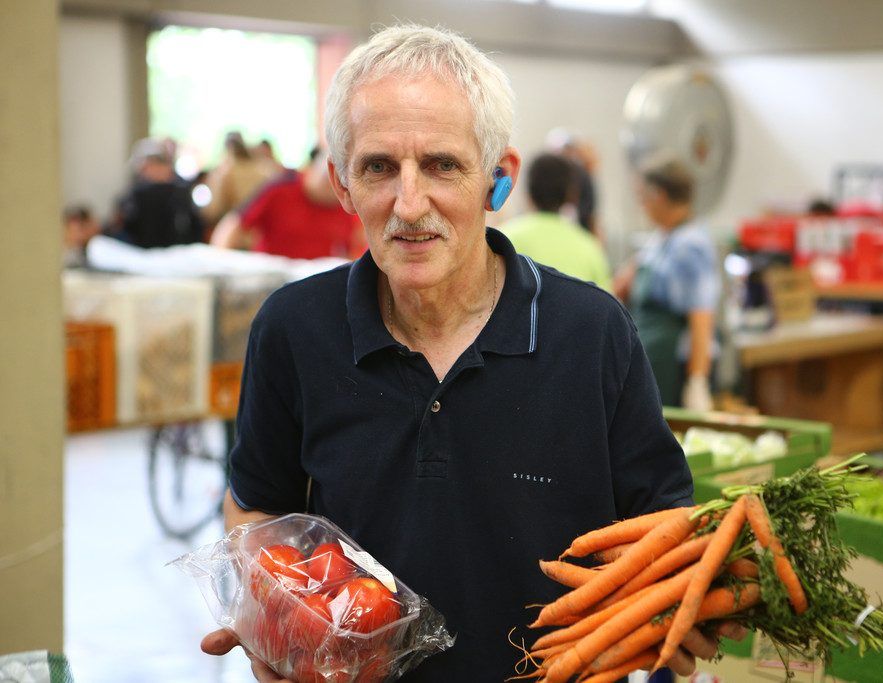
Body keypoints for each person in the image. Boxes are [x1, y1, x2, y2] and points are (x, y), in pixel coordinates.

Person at [200, 25, 722, 682]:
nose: (409, 204)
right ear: (341, 183)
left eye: (442, 165)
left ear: (498, 179)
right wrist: (267, 615)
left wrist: (676, 607)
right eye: (379, 167)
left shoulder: (592, 335)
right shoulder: (293, 328)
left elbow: (663, 527)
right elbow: (256, 506)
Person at [614, 157, 721, 411]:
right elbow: (624, 283)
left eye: (642, 197)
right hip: (654, 362)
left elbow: (701, 318)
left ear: (658, 195)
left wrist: (697, 382)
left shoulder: (691, 246)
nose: (642, 206)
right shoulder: (663, 238)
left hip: (675, 369)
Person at [210, 150, 366, 260]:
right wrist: (221, 263)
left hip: (314, 282)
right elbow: (232, 226)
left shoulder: (348, 203)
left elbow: (356, 246)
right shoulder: (281, 187)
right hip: (271, 276)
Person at [500, 152, 612, 289]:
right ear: (570, 195)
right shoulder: (590, 247)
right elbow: (606, 302)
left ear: (528, 192)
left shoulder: (503, 239)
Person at [105, 138, 204, 248]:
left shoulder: (183, 191)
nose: (142, 173)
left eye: (145, 167)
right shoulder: (134, 195)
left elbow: (195, 228)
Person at [202, 131, 278, 226]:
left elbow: (213, 210)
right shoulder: (264, 169)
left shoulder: (224, 172)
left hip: (234, 230)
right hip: (259, 230)